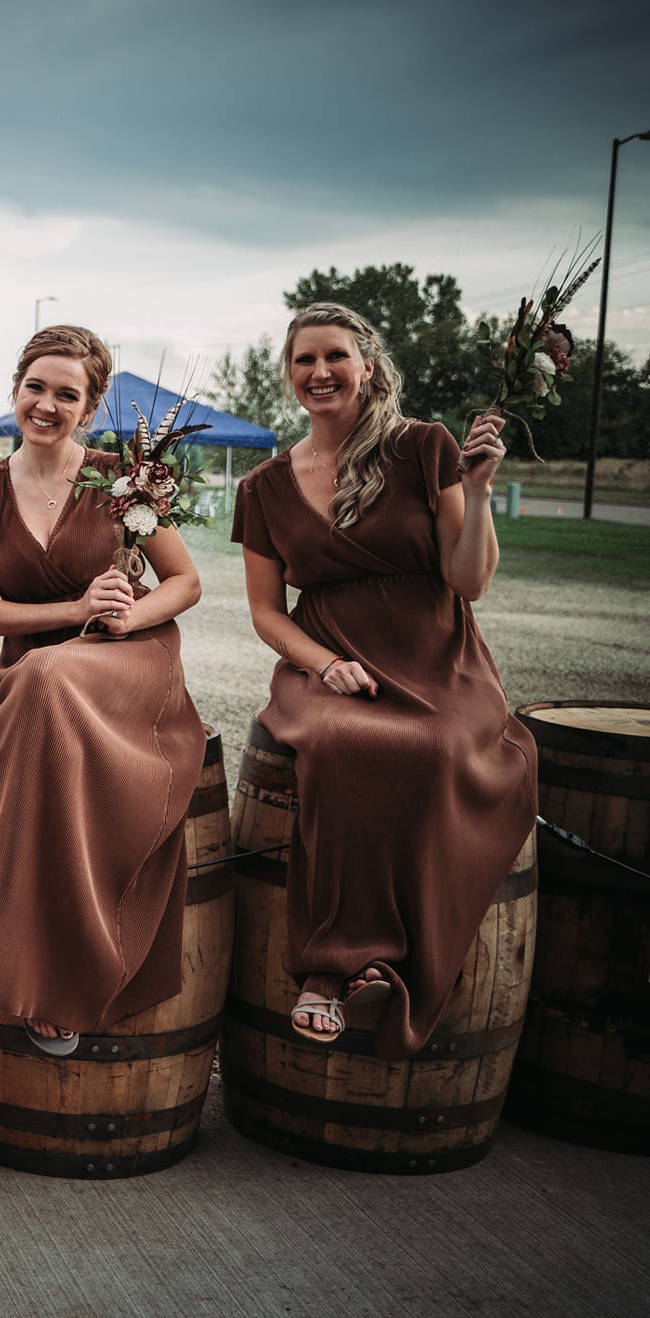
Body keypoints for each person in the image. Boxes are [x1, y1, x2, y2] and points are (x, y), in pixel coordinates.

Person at [0, 324, 206, 1054]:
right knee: (41, 675)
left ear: (91, 407)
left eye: (67, 394)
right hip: (31, 676)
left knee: (48, 675)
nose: (47, 404)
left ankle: (39, 948)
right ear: (15, 389)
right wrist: (76, 610)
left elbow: (185, 582)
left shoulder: (123, 476)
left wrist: (124, 614)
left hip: (126, 665)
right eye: (36, 387)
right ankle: (0, 950)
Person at [231, 302, 534, 1053]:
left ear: (368, 366)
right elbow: (268, 614)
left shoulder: (424, 448)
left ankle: (399, 959)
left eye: (336, 356)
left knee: (436, 748)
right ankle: (329, 971)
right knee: (338, 744)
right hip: (328, 654)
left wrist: (482, 489)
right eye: (304, 359)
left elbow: (468, 582)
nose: (320, 372)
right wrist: (323, 665)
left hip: (438, 655)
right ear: (289, 374)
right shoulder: (263, 487)